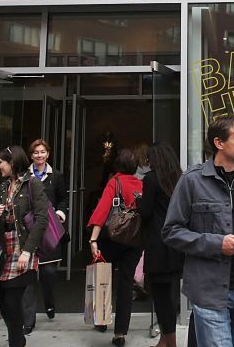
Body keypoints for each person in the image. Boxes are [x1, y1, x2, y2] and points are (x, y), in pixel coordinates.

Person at [164, 117, 234, 347]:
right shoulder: (192, 181)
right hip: (209, 291)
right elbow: (172, 231)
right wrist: (217, 243)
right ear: (219, 143)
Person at [0, 146, 49, 347]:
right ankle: (19, 339)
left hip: (22, 247)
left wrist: (27, 251)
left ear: (12, 162)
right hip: (3, 249)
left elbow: (41, 219)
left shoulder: (33, 184)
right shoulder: (3, 187)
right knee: (4, 304)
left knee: (13, 303)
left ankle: (16, 343)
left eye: (0, 162)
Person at [88, 148, 144, 346]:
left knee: (103, 276)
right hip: (134, 241)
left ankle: (102, 320)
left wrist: (93, 240)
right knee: (126, 284)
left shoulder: (115, 182)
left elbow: (102, 210)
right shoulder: (140, 184)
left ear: (117, 165)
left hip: (112, 239)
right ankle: (120, 332)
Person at [141, 142, 183, 347]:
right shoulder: (180, 178)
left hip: (158, 243)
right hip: (177, 241)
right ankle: (165, 340)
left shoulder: (150, 179)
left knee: (160, 295)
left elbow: (146, 211)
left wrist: (139, 203)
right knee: (169, 294)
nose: (147, 162)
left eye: (148, 158)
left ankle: (169, 342)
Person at [27, 138, 67, 320]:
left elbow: (64, 198)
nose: (39, 155)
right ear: (31, 155)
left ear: (48, 154)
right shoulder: (25, 176)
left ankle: (49, 304)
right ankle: (29, 317)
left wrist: (60, 214)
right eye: (36, 152)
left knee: (48, 273)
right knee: (28, 273)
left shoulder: (56, 176)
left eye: (42, 152)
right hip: (30, 229)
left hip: (50, 229)